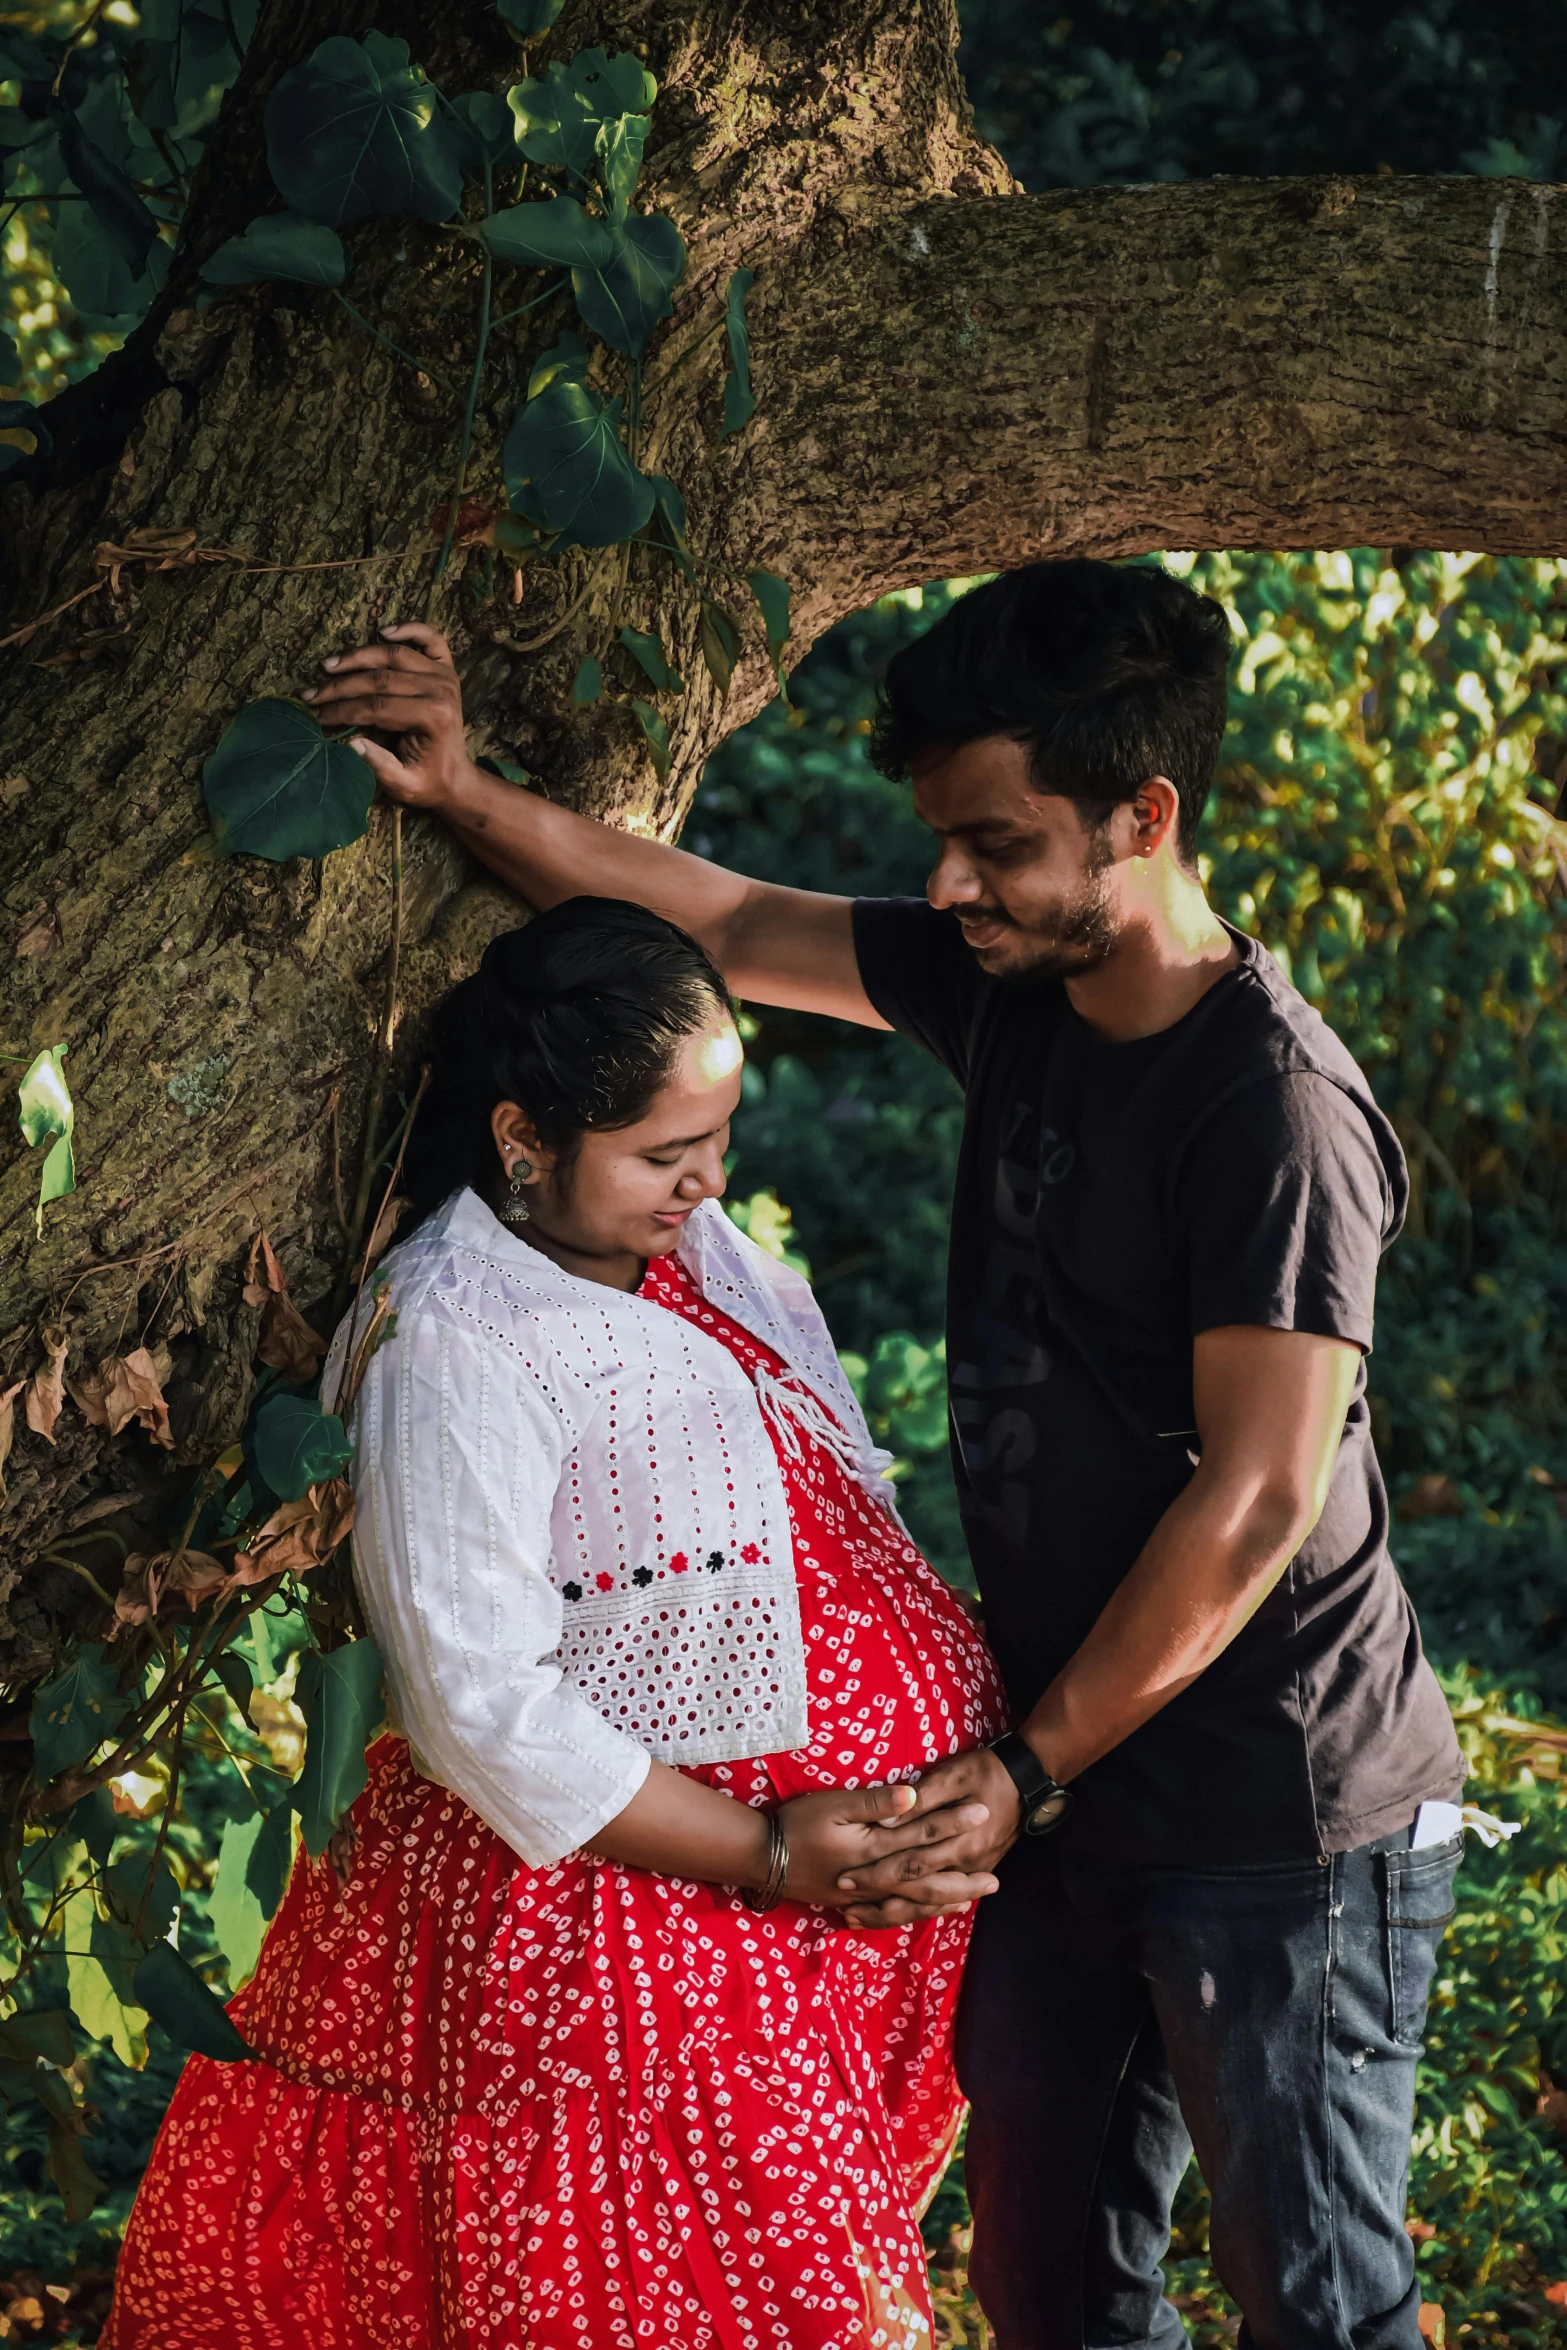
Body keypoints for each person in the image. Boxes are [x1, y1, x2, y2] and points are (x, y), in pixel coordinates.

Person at [300, 566, 1470, 2350]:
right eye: (938, 840)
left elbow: (1256, 1497)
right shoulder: (1006, 974)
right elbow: (721, 914)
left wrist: (1020, 1762)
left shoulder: (1271, 1110)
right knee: (1051, 2291)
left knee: (1314, 2300)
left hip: (1266, 1805)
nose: (945, 885)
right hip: (1062, 1800)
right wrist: (465, 794)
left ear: (1139, 817)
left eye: (992, 841)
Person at [104, 898, 1006, 2350]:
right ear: (524, 1136)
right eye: (662, 1153)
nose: (705, 1183)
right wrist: (770, 1850)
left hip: (788, 1922)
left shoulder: (698, 1260)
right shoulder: (456, 1332)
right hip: (619, 1923)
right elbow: (475, 1702)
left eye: (719, 1139)